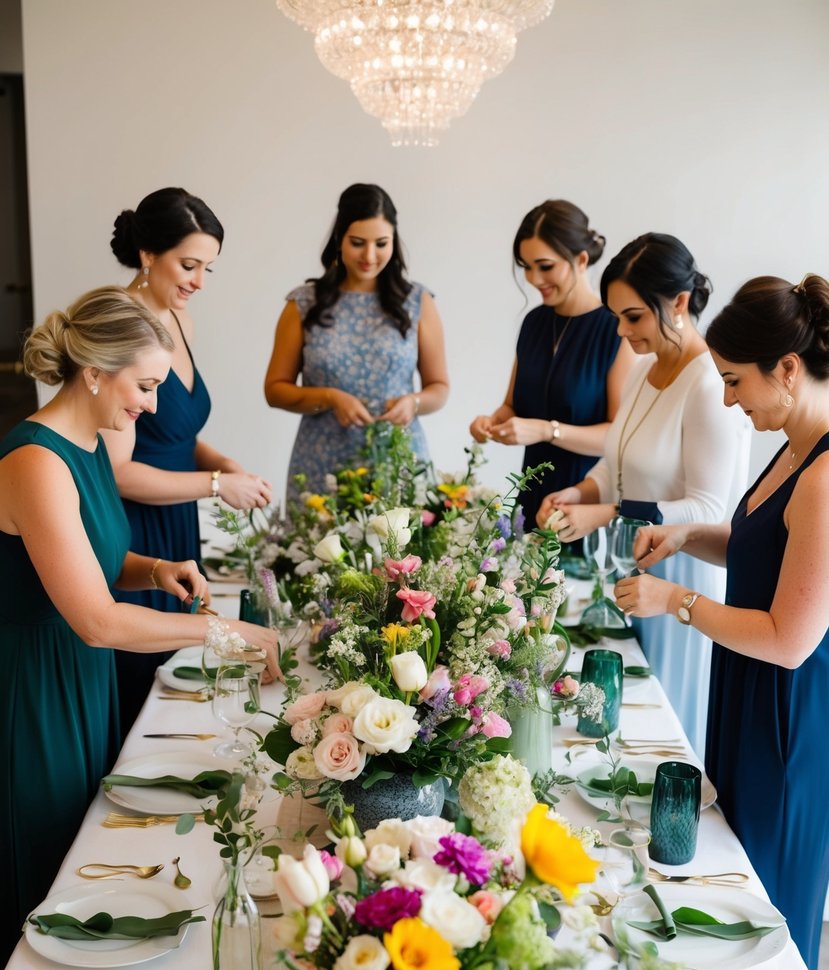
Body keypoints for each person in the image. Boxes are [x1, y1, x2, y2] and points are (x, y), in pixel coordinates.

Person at [0, 287, 279, 965]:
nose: (152, 406)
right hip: (39, 689)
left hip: (82, 677)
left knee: (89, 852)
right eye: (145, 385)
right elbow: (94, 618)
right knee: (49, 871)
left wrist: (153, 569)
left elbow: (91, 560)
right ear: (94, 371)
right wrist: (225, 633)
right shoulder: (35, 460)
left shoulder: (88, 444)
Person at [614, 274, 829, 970]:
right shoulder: (792, 445)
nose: (729, 401)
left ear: (787, 370)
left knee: (761, 924)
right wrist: (686, 540)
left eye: (736, 383)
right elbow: (761, 548)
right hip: (746, 695)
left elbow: (788, 640)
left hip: (786, 721)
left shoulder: (825, 474)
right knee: (721, 895)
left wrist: (675, 603)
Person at [536, 234, 749, 753]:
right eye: (617, 317)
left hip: (685, 578)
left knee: (663, 728)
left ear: (678, 303)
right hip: (632, 572)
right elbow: (616, 463)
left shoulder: (707, 385)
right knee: (619, 720)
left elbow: (709, 508)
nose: (622, 331)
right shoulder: (642, 370)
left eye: (633, 317)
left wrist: (605, 513)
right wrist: (580, 493)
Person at [106, 187, 273, 733]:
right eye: (189, 264)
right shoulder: (120, 324)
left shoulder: (180, 322)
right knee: (140, 678)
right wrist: (217, 483)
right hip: (138, 525)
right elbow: (120, 471)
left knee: (180, 670)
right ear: (148, 254)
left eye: (208, 268)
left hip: (177, 514)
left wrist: (225, 464)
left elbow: (176, 433)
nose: (198, 281)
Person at [264, 182, 449, 497]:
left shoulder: (417, 301)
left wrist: (413, 402)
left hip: (398, 462)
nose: (369, 255)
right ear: (339, 239)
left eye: (381, 243)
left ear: (394, 241)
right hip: (321, 467)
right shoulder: (304, 303)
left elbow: (439, 388)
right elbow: (275, 390)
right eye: (358, 243)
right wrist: (331, 398)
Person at [469, 200, 635, 528]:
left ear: (581, 259)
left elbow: (619, 435)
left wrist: (546, 430)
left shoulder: (615, 329)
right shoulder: (533, 323)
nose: (533, 278)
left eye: (544, 266)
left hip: (583, 503)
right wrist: (491, 422)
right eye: (526, 266)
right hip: (530, 496)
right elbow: (512, 405)